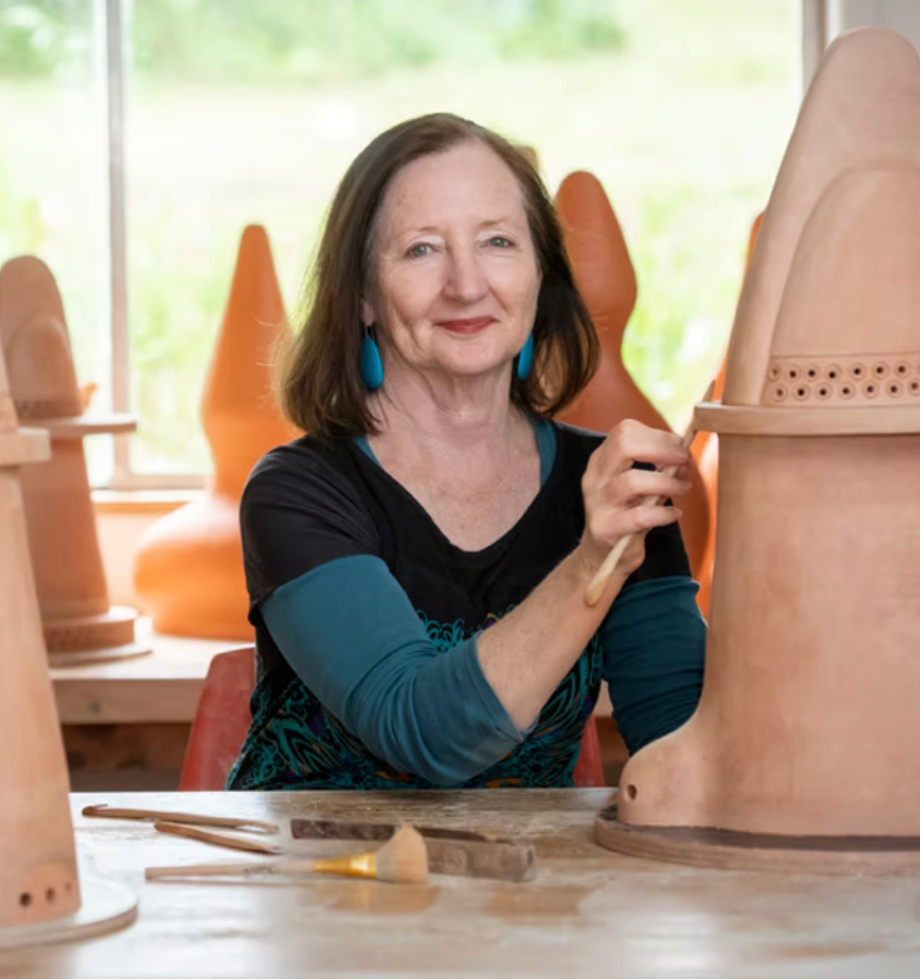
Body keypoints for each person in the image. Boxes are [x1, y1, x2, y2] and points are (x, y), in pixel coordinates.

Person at [228, 112, 706, 791]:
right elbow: (428, 736)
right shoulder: (299, 492)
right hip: (318, 885)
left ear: (541, 276)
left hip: (527, 891)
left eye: (499, 242)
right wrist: (593, 560)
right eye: (422, 249)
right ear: (362, 293)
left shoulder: (613, 489)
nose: (466, 284)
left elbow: (683, 742)